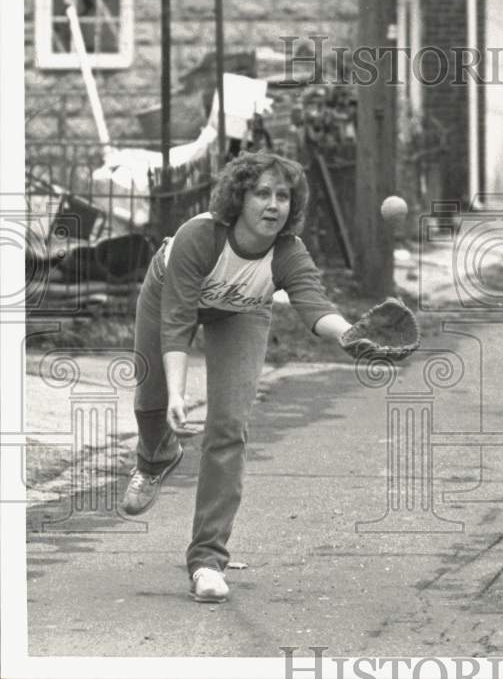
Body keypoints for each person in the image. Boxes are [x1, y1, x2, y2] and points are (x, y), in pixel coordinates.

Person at [122, 151, 358, 604]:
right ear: (239, 198)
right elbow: (177, 321)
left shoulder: (287, 251)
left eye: (283, 196)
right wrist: (177, 393)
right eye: (262, 194)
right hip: (166, 295)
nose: (274, 205)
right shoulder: (200, 236)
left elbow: (315, 305)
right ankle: (155, 459)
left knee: (229, 427)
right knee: (150, 401)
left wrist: (351, 335)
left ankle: (207, 561)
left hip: (242, 312)